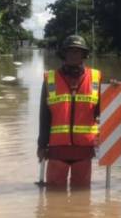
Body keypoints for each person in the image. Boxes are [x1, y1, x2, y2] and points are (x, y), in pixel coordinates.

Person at [37, 35, 102, 189]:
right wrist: (41, 145)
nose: (73, 55)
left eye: (77, 51)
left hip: (83, 150)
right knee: (53, 194)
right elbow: (44, 116)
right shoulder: (51, 79)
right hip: (57, 149)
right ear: (64, 54)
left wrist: (113, 91)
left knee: (82, 194)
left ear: (83, 54)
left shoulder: (95, 78)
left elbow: (102, 111)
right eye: (70, 51)